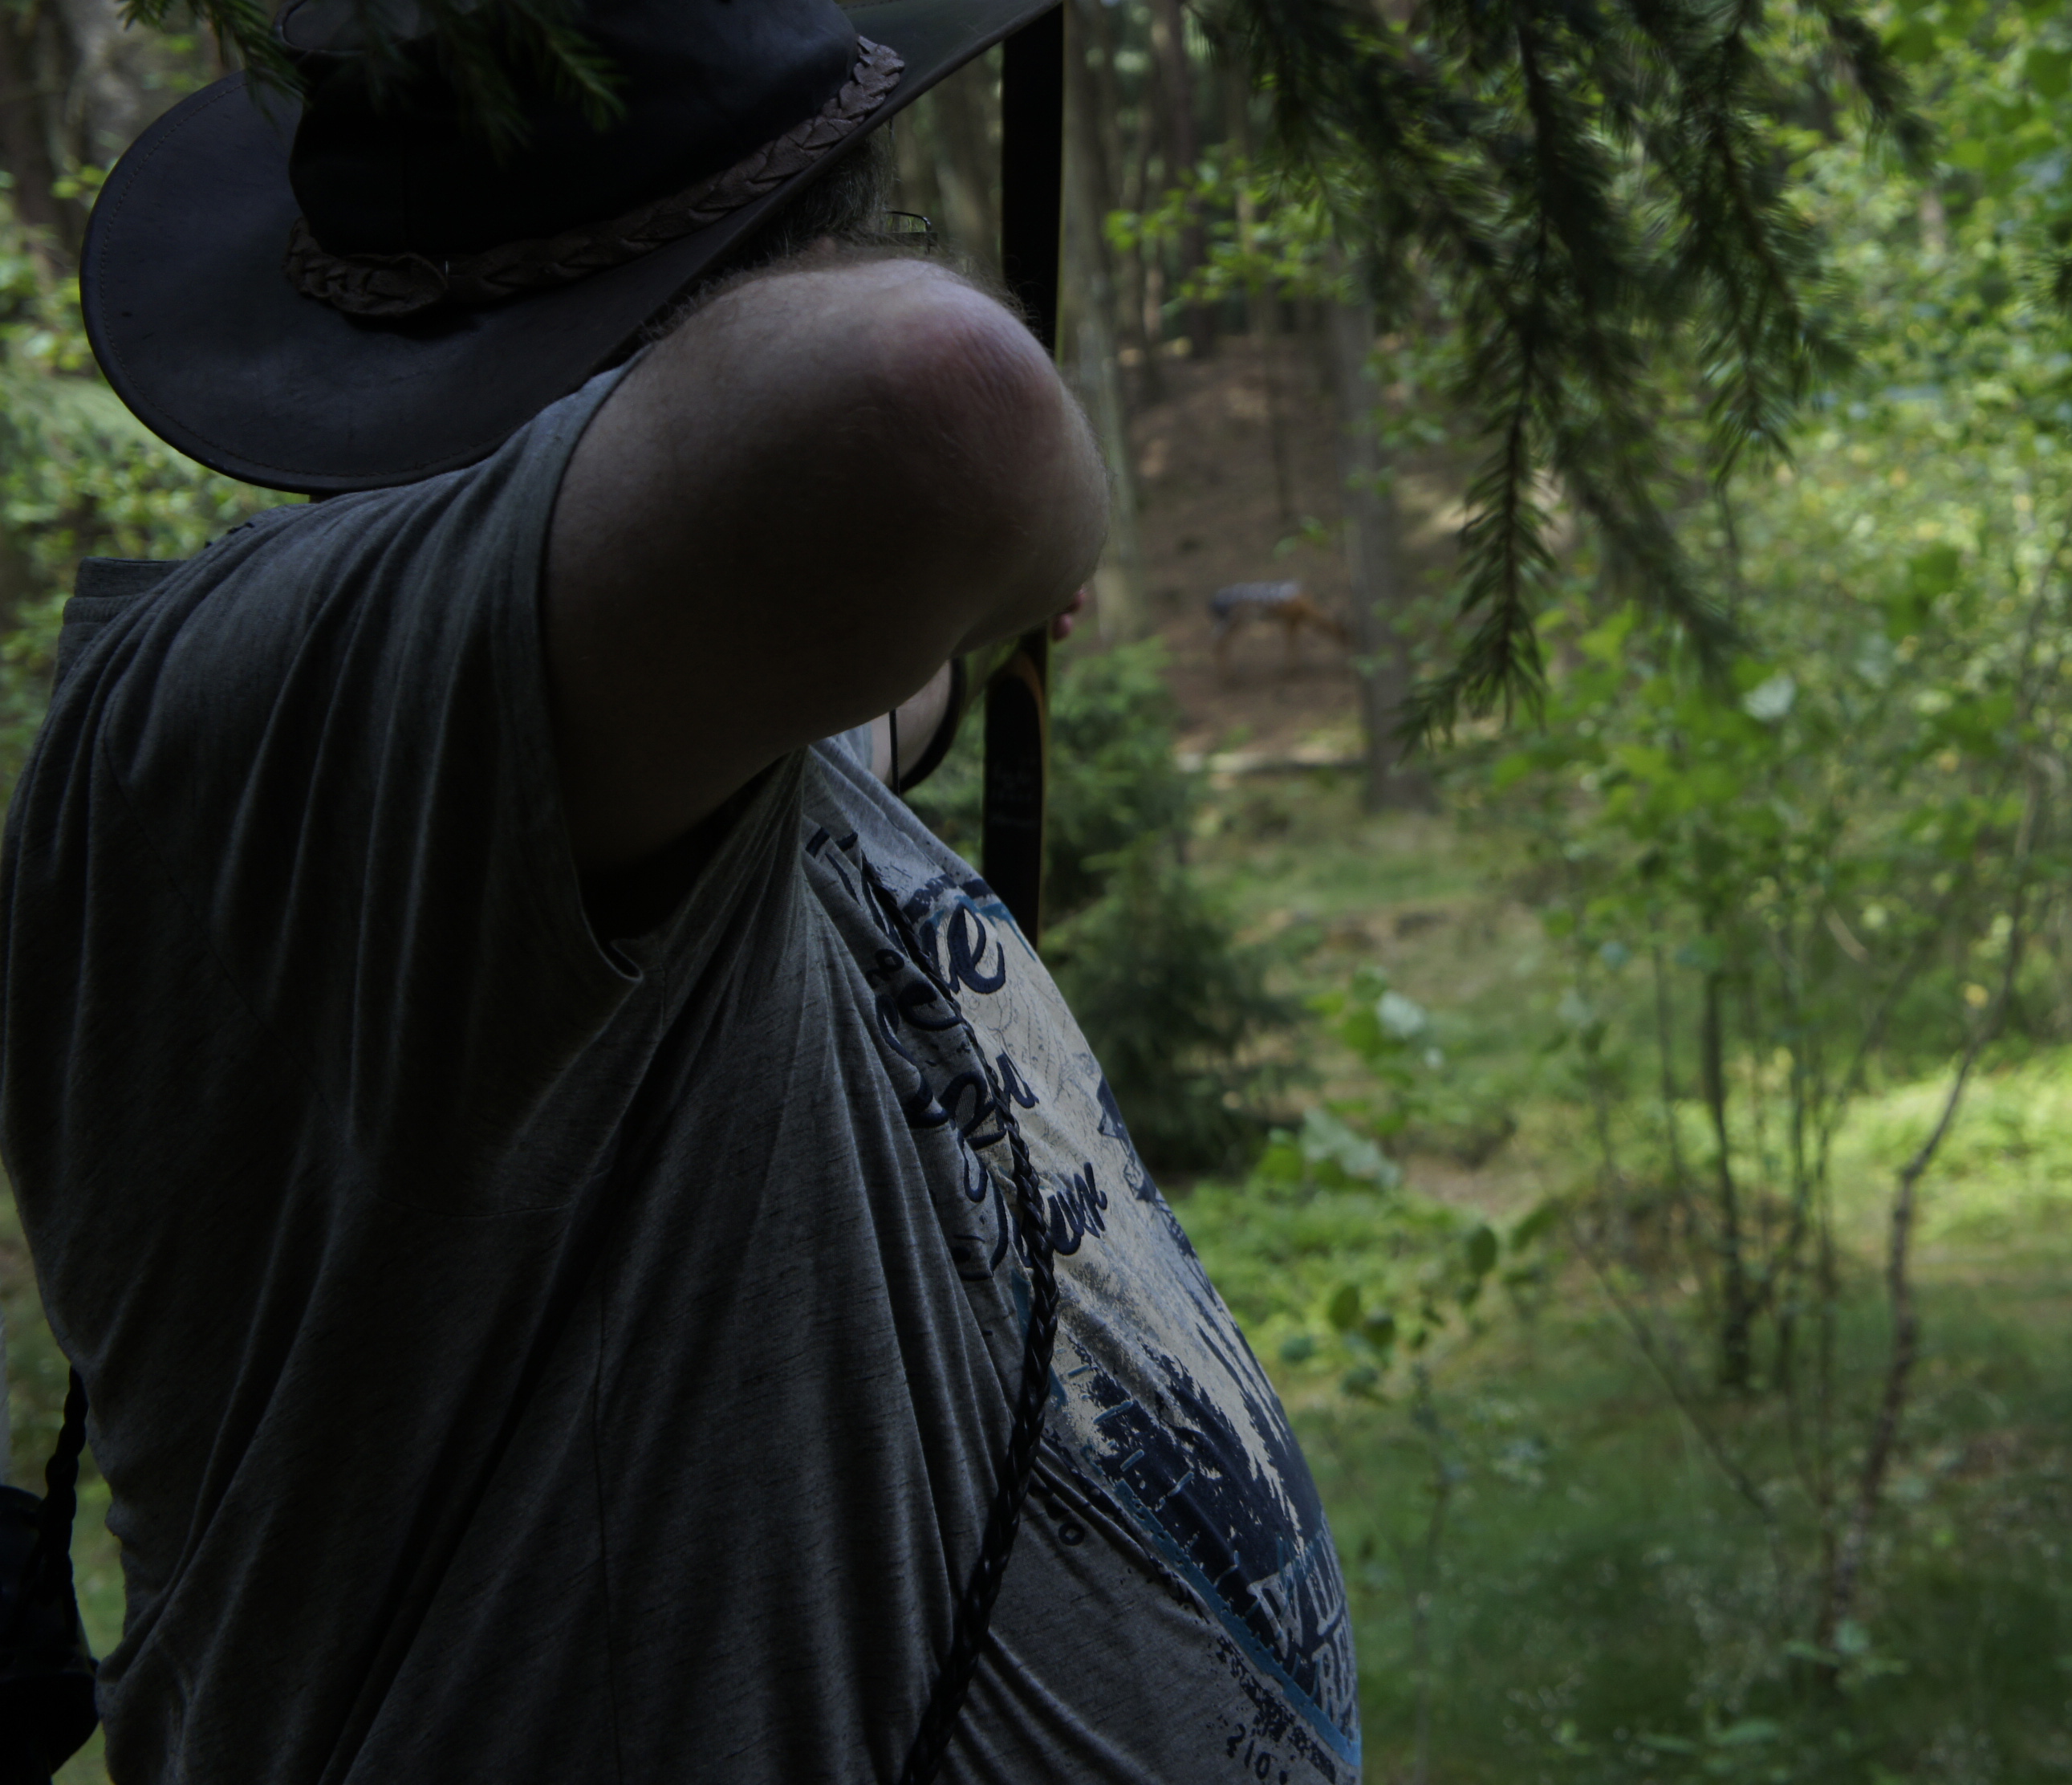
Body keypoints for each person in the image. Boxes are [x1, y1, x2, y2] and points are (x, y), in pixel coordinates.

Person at [0, 0, 1359, 1779]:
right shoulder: (275, 707)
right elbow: (933, 403)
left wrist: (961, 636)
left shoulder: (611, 738)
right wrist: (971, 529)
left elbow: (860, 682)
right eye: (842, 224)